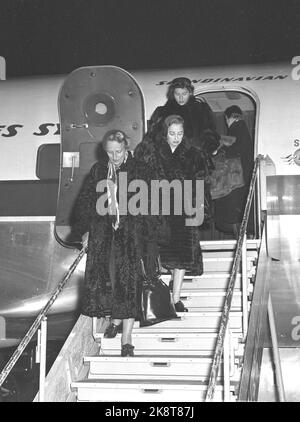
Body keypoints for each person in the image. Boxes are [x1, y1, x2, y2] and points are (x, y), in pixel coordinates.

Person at [70, 129, 159, 357]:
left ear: (126, 148)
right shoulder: (99, 170)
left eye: (118, 152)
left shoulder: (141, 169)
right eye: (109, 153)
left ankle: (127, 338)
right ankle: (115, 319)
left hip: (131, 235)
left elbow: (151, 203)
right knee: (109, 279)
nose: (114, 157)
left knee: (128, 282)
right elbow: (86, 203)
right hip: (105, 235)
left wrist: (143, 231)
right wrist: (85, 231)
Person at [134, 115, 208, 312]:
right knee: (157, 254)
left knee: (182, 255)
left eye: (180, 133)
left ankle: (176, 299)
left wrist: (199, 207)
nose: (176, 137)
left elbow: (200, 183)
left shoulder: (193, 154)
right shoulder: (152, 153)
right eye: (172, 133)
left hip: (184, 210)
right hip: (159, 210)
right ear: (165, 133)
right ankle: (158, 295)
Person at [148, 76, 220, 156]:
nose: (181, 98)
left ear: (190, 93)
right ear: (173, 94)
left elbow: (211, 132)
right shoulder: (163, 112)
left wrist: (209, 147)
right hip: (174, 158)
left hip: (199, 157)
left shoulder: (202, 109)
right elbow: (154, 136)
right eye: (177, 94)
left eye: (184, 94)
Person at [214, 105, 254, 238]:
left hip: (235, 181)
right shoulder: (244, 130)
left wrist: (218, 150)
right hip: (243, 179)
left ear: (228, 118)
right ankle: (244, 238)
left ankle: (241, 240)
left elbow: (232, 151)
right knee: (239, 215)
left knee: (232, 215)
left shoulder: (236, 129)